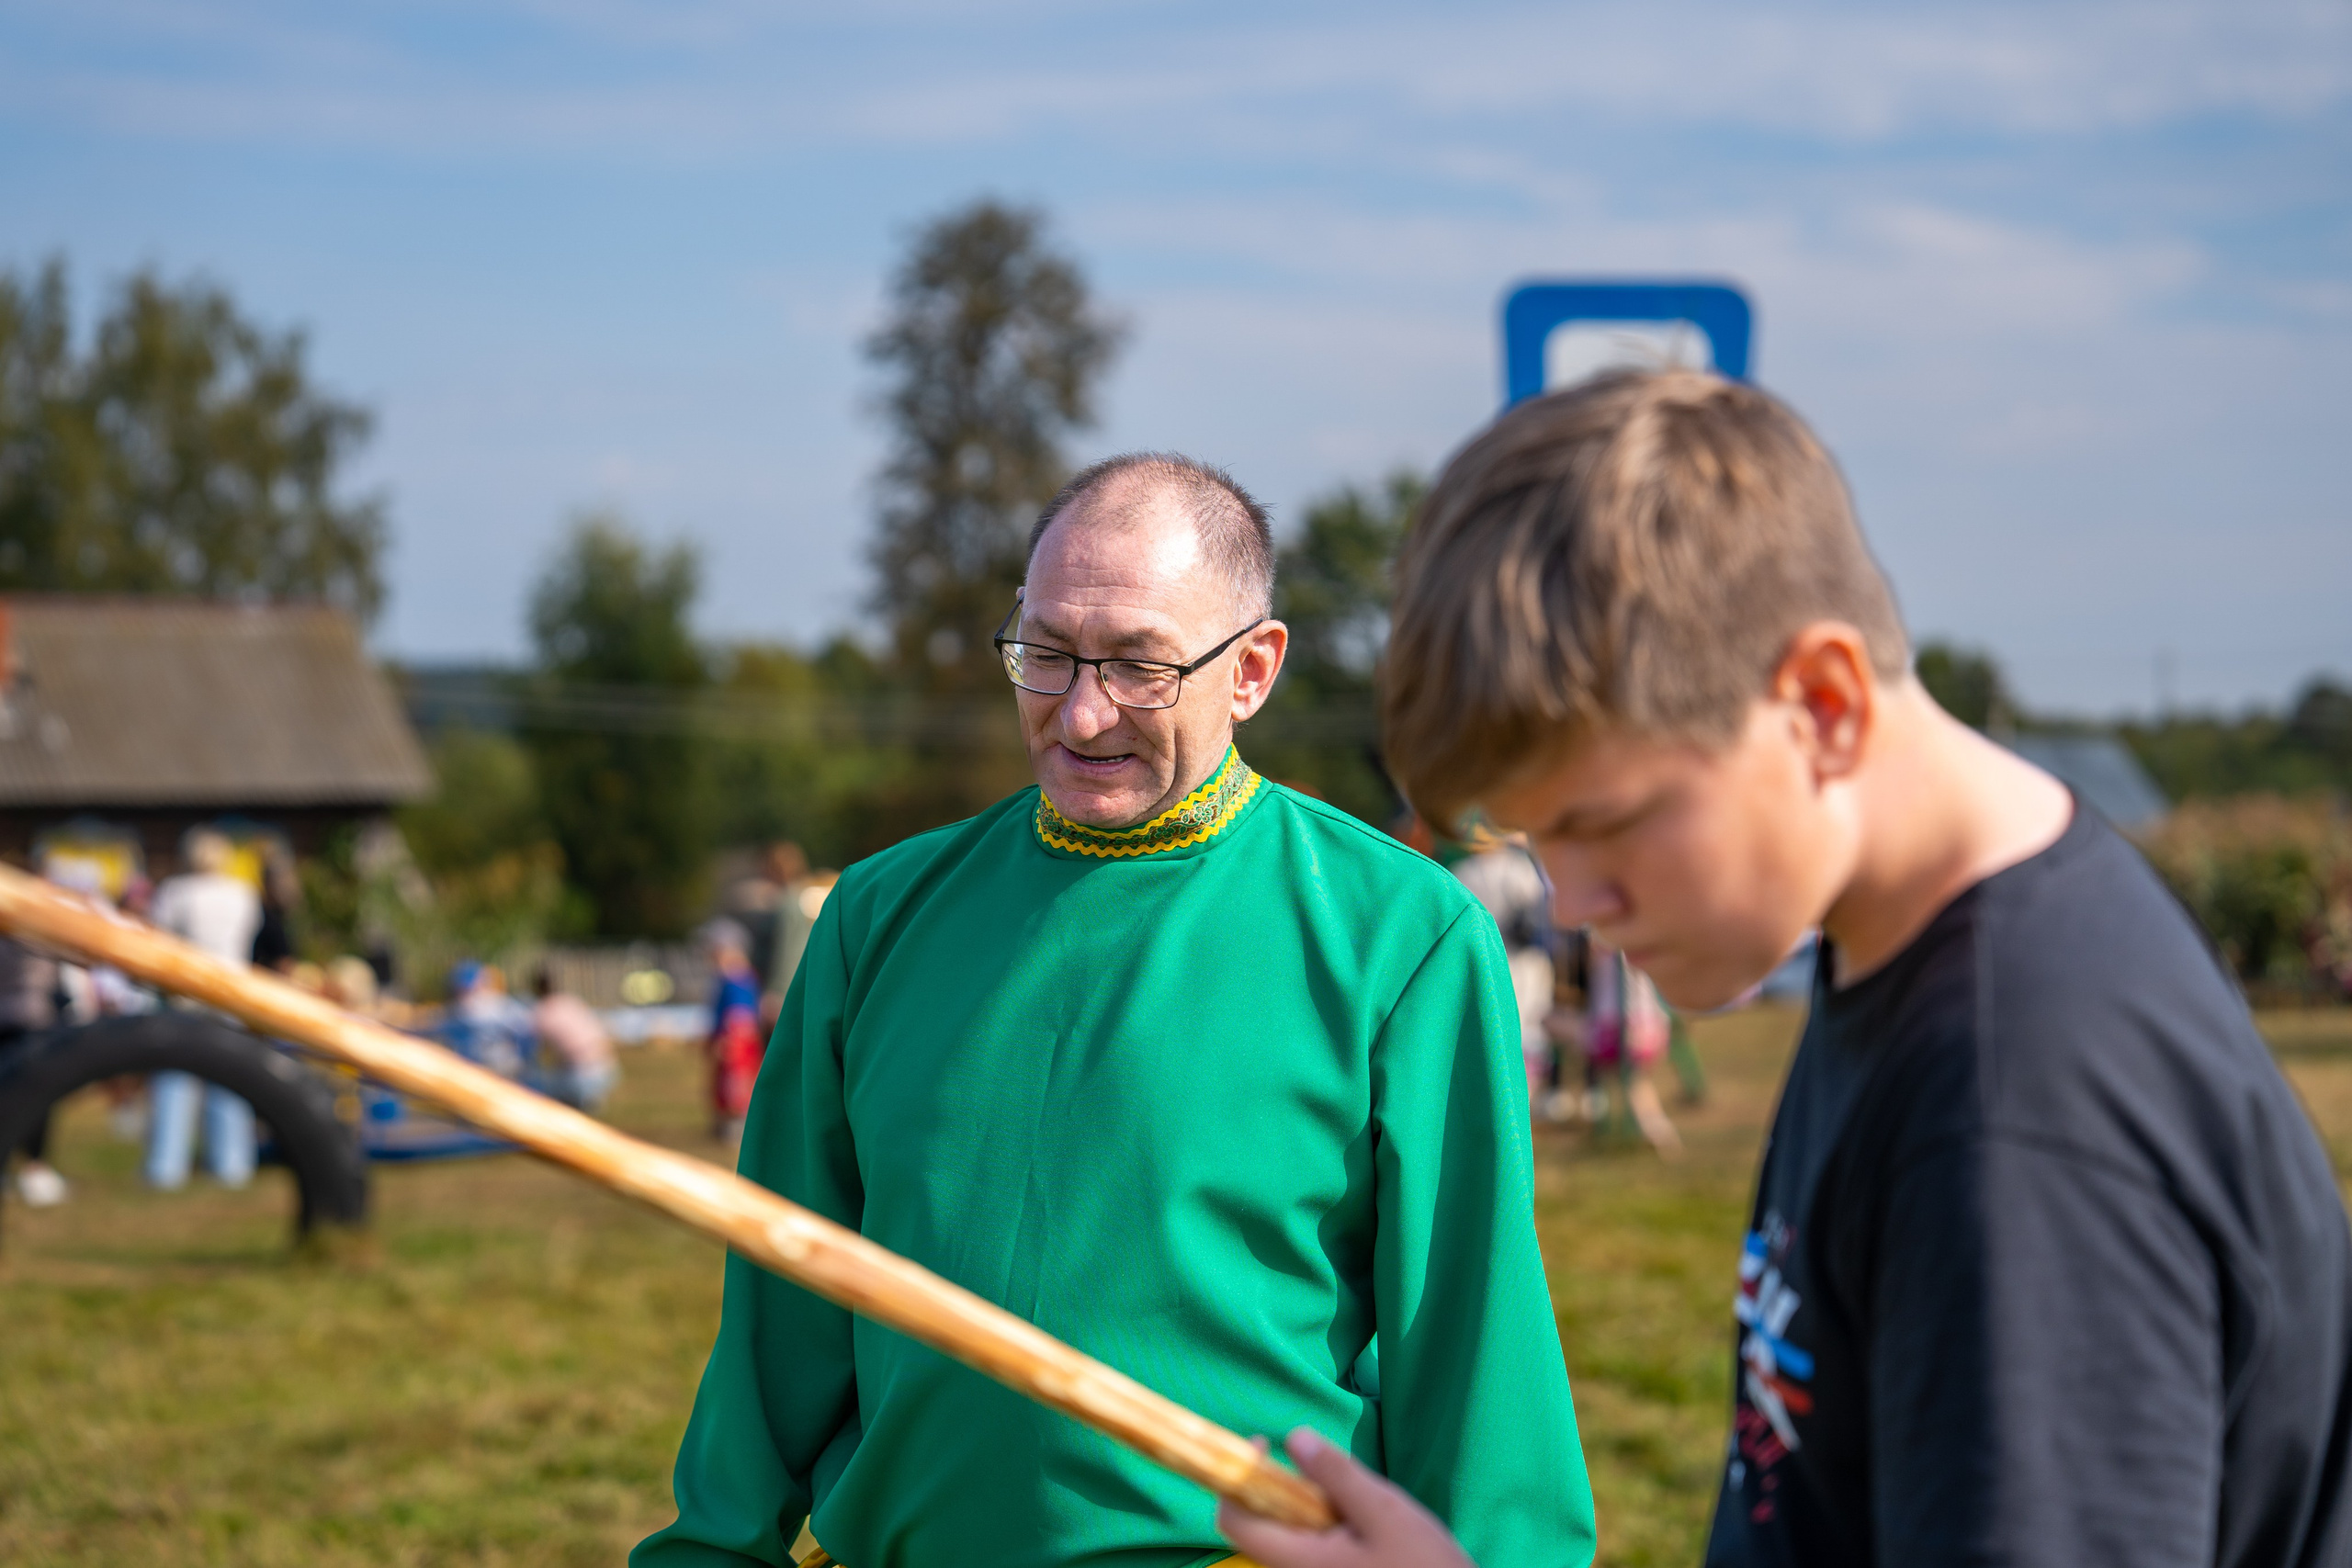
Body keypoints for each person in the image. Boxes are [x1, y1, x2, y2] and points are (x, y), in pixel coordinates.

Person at [1220, 369, 2352, 1568]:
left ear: (1820, 703)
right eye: (1537, 836)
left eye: (1608, 819)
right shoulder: (1906, 947)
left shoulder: (2015, 1114)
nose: (1573, 897)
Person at [637, 453, 1593, 1568]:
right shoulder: (876, 915)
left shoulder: (1403, 935)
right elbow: (779, 1297)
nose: (1082, 715)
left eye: (1140, 667)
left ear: (1252, 669)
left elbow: (1476, 1353)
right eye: (1043, 655)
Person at [144, 828, 265, 1190]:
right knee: (230, 1079)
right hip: (231, 993)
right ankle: (233, 1165)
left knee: (175, 1080)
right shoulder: (243, 893)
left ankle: (166, 1167)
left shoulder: (175, 892)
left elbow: (158, 940)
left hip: (187, 994)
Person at [702, 920, 763, 1143]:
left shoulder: (738, 980)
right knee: (722, 1084)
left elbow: (741, 1018)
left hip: (736, 1044)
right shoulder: (728, 979)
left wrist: (729, 1042)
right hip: (728, 1040)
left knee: (735, 1086)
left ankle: (736, 1127)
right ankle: (724, 1124)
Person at [532, 966, 619, 1114]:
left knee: (539, 1085)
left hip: (580, 1076)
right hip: (608, 1069)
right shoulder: (571, 1001)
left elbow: (536, 1051)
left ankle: (581, 1099)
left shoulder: (542, 1013)